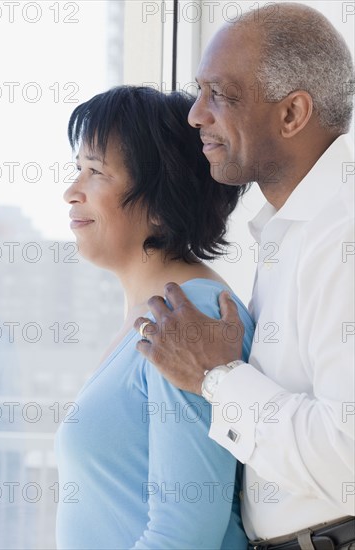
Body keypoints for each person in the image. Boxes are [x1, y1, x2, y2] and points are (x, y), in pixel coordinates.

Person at [134, 3, 355, 549]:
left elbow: (347, 456)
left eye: (220, 95)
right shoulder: (295, 229)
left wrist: (217, 376)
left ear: (292, 114)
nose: (195, 116)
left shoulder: (342, 233)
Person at [55, 85, 255, 549]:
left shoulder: (190, 317)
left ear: (162, 204)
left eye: (95, 172)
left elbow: (185, 535)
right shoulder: (155, 316)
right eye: (76, 170)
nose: (70, 192)